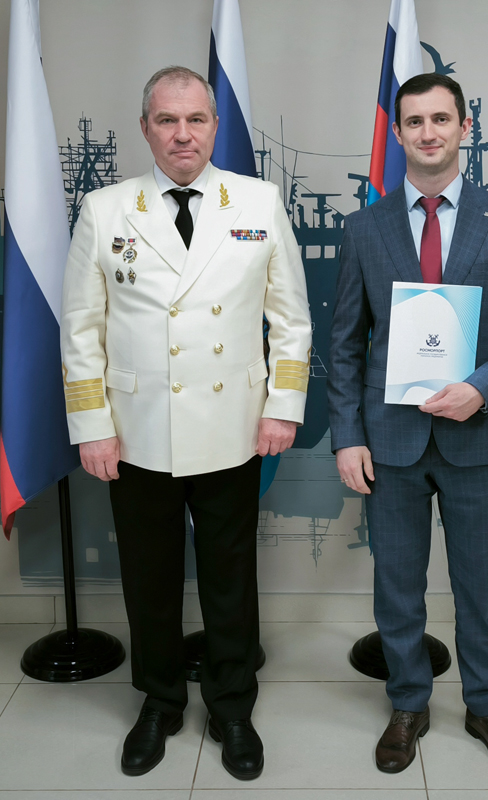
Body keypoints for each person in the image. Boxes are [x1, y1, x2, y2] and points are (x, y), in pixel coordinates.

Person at [61, 66, 312, 780]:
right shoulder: (106, 209)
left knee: (230, 575)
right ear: (146, 128)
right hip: (136, 429)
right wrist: (92, 424)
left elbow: (291, 321)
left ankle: (232, 704)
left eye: (195, 119)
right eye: (167, 120)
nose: (182, 134)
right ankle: (160, 700)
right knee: (149, 575)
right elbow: (81, 330)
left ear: (214, 126)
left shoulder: (258, 202)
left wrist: (282, 408)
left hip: (233, 426)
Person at [328, 73, 488, 777]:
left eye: (441, 119)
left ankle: (486, 707)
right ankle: (408, 703)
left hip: (478, 438)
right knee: (397, 584)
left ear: (464, 128)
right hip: (388, 440)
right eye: (415, 121)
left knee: (479, 585)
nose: (429, 132)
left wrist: (481, 387)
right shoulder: (365, 228)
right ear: (397, 133)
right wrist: (347, 436)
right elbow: (344, 343)